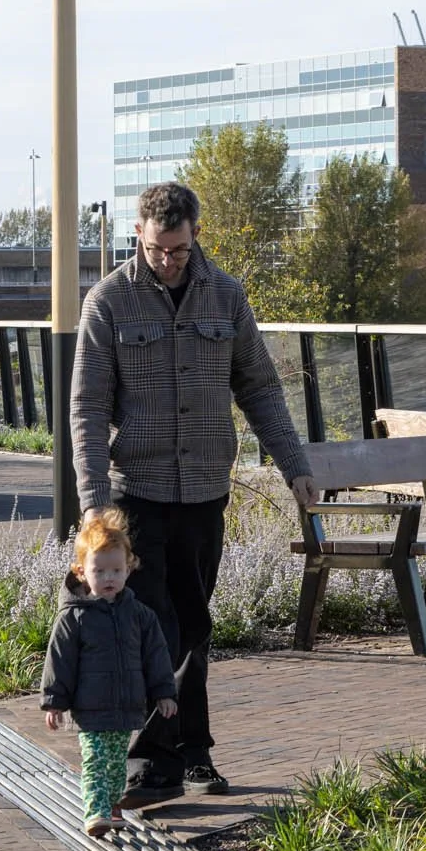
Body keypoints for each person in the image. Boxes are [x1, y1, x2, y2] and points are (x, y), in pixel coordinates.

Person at [69, 180, 317, 807]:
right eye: (157, 250)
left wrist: (294, 464)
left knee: (194, 623)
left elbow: (260, 388)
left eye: (178, 250)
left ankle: (194, 748)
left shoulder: (226, 297)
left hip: (204, 490)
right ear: (139, 237)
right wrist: (94, 501)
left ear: (195, 235)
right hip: (139, 491)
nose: (168, 261)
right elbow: (88, 408)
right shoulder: (108, 302)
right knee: (155, 624)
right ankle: (154, 766)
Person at [40, 509, 176, 836]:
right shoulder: (74, 617)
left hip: (127, 705)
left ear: (129, 569)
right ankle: (95, 812)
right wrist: (54, 701)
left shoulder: (139, 615)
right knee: (95, 761)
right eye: (99, 571)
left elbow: (155, 655)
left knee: (116, 765)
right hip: (90, 707)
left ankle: (113, 806)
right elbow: (60, 659)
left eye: (116, 570)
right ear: (82, 572)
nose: (109, 578)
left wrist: (163, 692)